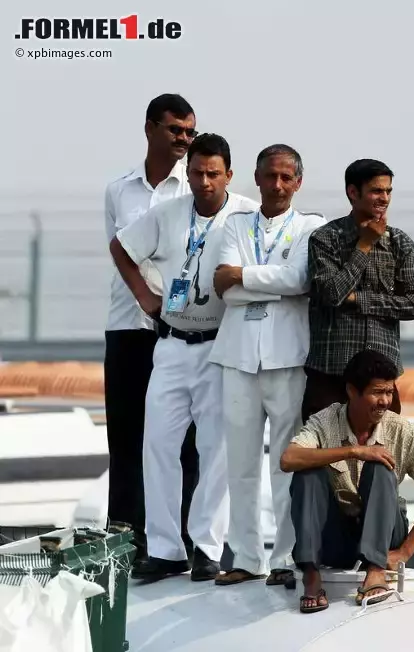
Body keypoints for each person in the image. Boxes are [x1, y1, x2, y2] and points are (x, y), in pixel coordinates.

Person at [109, 133, 259, 582]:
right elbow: (121, 247)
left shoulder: (247, 214)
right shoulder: (168, 213)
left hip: (219, 345)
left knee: (215, 449)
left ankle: (207, 549)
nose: (205, 181)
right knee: (157, 444)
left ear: (228, 175)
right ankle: (165, 548)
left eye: (214, 173)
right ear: (187, 173)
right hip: (171, 343)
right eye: (196, 172)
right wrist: (145, 298)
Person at [208, 144, 326, 586]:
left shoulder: (311, 226)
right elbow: (224, 288)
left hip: (286, 357)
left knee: (286, 462)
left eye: (286, 177)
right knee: (238, 462)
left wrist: (244, 275)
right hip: (238, 355)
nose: (277, 185)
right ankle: (244, 556)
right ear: (255, 179)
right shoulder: (234, 224)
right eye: (269, 176)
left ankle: (286, 558)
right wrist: (261, 283)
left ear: (297, 182)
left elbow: (300, 280)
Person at [102, 93, 201, 562]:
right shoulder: (119, 190)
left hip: (178, 332)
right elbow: (120, 251)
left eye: (189, 132)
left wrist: (171, 307)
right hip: (127, 327)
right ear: (150, 129)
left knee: (182, 444)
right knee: (125, 439)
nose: (183, 139)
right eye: (174, 130)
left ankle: (183, 543)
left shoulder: (195, 188)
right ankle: (123, 546)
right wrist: (145, 297)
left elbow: (193, 259)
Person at [280, 350, 414, 613]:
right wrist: (354, 451)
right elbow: (289, 459)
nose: (384, 401)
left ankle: (376, 570)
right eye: (377, 392)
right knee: (308, 472)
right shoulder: (326, 421)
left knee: (380, 468)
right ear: (351, 391)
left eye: (389, 393)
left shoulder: (400, 429)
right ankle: (311, 576)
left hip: (385, 538)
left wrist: (405, 552)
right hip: (338, 540)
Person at [303, 159, 414, 421]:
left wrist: (359, 298)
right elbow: (333, 293)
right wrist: (365, 246)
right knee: (322, 458)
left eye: (388, 191)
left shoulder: (399, 243)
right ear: (353, 192)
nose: (384, 198)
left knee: (381, 457)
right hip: (331, 374)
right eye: (376, 191)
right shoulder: (325, 239)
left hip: (382, 381)